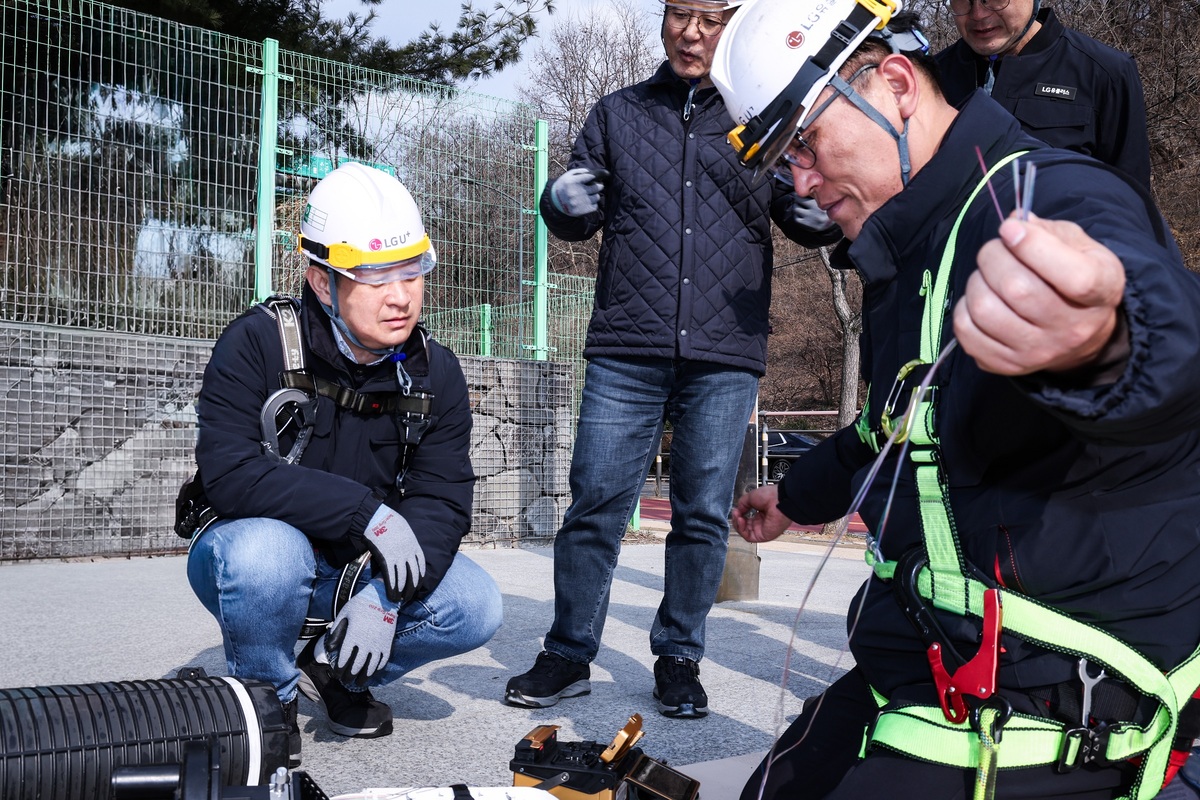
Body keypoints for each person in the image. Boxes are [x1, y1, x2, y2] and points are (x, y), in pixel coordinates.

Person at [710, 0, 1200, 797]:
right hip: (933, 653)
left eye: (805, 141)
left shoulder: (1040, 195)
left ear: (896, 83)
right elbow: (901, 426)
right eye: (779, 157)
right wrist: (794, 494)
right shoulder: (909, 246)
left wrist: (1101, 346)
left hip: (1058, 689)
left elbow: (1162, 329)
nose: (798, 181)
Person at [502, 0, 834, 719]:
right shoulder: (618, 113)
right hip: (627, 345)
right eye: (680, 14)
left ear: (735, 25)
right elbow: (577, 213)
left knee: (702, 515)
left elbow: (805, 209)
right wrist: (557, 202)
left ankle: (680, 657)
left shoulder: (764, 118)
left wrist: (820, 213)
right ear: (663, 20)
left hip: (726, 350)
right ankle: (568, 651)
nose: (692, 32)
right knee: (594, 504)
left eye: (711, 19)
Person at [182, 162, 503, 766]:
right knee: (267, 555)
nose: (401, 295)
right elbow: (229, 473)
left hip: (352, 569)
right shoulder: (259, 342)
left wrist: (384, 597)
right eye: (375, 275)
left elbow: (442, 499)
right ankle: (264, 704)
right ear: (322, 280)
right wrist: (369, 515)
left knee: (475, 605)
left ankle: (339, 672)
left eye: (412, 271)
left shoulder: (437, 373)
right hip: (255, 554)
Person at [934, 0, 1151, 192]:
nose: (979, 14)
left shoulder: (1105, 72)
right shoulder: (930, 78)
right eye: (965, 1)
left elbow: (1132, 202)